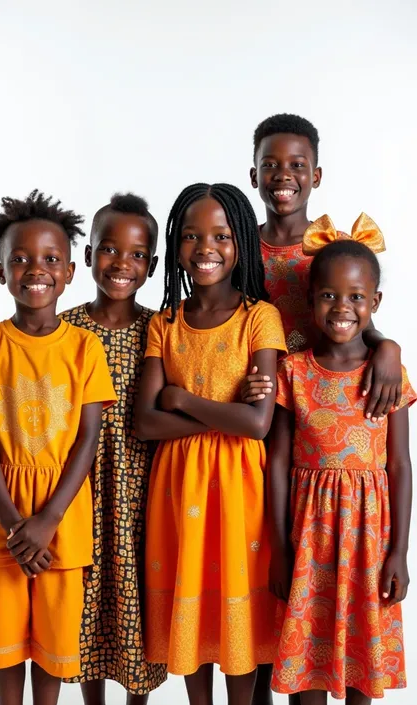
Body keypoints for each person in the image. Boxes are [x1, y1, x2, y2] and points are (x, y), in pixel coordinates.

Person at [0, 190, 116, 705]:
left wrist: (47, 521)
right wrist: (13, 522)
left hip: (61, 514)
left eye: (49, 260)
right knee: (4, 641)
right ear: (0, 272)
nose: (33, 270)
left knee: (52, 643)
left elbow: (88, 440)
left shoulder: (86, 347)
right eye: (18, 260)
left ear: (68, 272)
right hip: (1, 512)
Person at [135, 183, 287, 705]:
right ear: (176, 244)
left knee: (236, 621)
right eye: (193, 236)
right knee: (191, 612)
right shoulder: (166, 323)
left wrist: (180, 397)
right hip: (178, 491)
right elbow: (145, 424)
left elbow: (259, 425)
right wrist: (226, 414)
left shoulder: (259, 318)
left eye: (221, 235)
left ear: (241, 243)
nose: (207, 248)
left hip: (242, 492)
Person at [268, 215, 415, 704]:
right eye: (329, 295)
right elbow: (280, 462)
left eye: (356, 297)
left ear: (375, 303)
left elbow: (399, 465)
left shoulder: (388, 374)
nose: (342, 307)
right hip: (309, 538)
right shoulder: (293, 372)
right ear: (310, 302)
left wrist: (399, 552)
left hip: (369, 541)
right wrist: (281, 548)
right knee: (306, 664)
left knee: (360, 664)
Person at [60, 193, 167, 704]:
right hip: (79, 490)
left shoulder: (161, 329)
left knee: (135, 601)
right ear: (87, 256)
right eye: (108, 249)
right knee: (86, 602)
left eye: (137, 254)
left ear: (151, 265)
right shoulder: (66, 328)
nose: (121, 263)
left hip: (143, 489)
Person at [247, 113, 402, 425]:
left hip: (318, 402)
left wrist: (388, 346)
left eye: (297, 165)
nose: (283, 175)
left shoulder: (336, 251)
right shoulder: (239, 249)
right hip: (256, 400)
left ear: (316, 176)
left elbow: (361, 324)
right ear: (254, 176)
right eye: (270, 165)